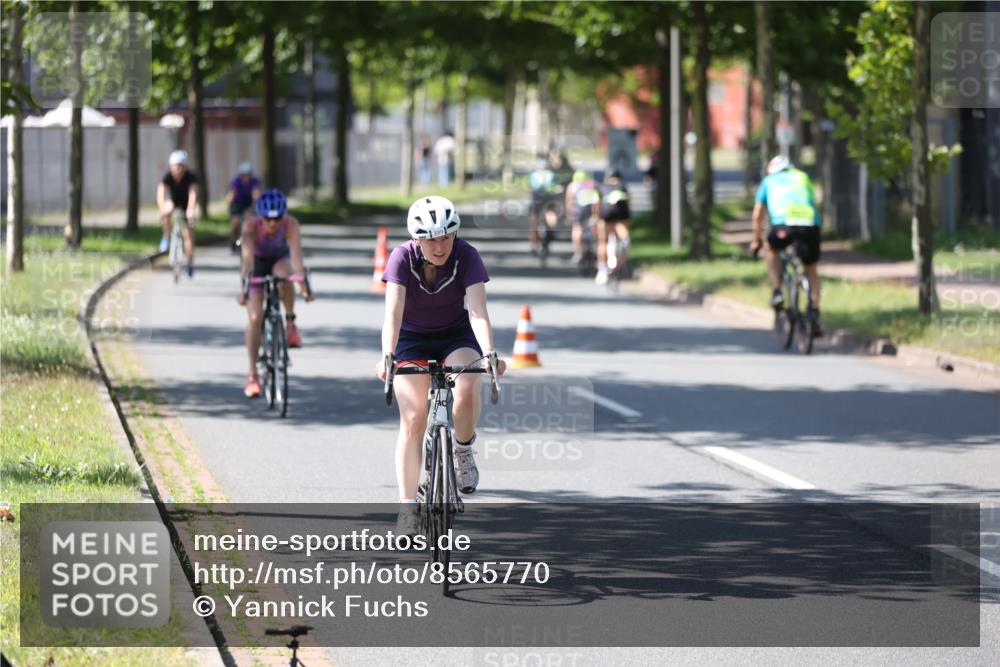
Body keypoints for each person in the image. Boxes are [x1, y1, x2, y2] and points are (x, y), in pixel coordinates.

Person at [375, 196, 507, 534]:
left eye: (446, 236)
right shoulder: (402, 257)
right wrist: (388, 356)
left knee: (465, 385)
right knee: (414, 417)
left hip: (455, 334)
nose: (440, 245)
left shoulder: (467, 255)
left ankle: (462, 449)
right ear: (417, 238)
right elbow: (392, 312)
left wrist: (489, 352)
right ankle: (407, 508)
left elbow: (477, 310)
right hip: (411, 338)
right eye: (431, 238)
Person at [236, 189, 313, 399]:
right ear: (260, 216)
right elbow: (247, 261)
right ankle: (252, 374)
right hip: (257, 264)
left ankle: (289, 322)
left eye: (277, 218)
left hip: (280, 259)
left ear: (284, 215)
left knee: (284, 276)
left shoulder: (291, 225)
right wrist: (244, 288)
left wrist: (303, 285)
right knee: (254, 318)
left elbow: (296, 259)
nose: (272, 223)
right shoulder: (250, 226)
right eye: (268, 219)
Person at [749, 155, 823, 332]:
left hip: (783, 225)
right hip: (810, 225)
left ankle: (777, 291)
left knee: (770, 249)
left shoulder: (768, 181)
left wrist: (757, 239)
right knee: (811, 269)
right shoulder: (803, 177)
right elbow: (813, 202)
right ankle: (814, 311)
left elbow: (757, 214)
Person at [157, 150, 199, 276]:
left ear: (185, 167)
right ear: (171, 167)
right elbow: (161, 193)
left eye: (180, 167)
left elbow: (193, 194)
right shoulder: (167, 177)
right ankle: (166, 235)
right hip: (174, 201)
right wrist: (161, 208)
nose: (178, 170)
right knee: (166, 211)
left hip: (187, 203)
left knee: (188, 234)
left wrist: (191, 210)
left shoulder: (191, 177)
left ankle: (190, 262)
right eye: (175, 167)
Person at [595, 170, 631, 285]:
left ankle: (602, 270)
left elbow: (597, 204)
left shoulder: (602, 186)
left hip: (606, 217)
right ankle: (621, 266)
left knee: (603, 243)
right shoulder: (623, 186)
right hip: (621, 217)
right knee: (625, 239)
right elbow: (629, 204)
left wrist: (596, 218)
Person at [564, 170, 600, 265]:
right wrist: (597, 214)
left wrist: (569, 215)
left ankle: (578, 253)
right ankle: (595, 247)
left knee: (577, 229)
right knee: (594, 227)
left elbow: (569, 201)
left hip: (578, 211)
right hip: (591, 209)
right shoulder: (591, 184)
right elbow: (597, 198)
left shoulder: (572, 186)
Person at [227, 162, 262, 253]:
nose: (246, 177)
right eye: (244, 175)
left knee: (251, 220)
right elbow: (232, 193)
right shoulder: (236, 181)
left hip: (248, 205)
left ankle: (253, 242)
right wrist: (229, 202)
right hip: (237, 205)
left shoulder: (254, 181)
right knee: (234, 223)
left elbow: (256, 194)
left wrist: (257, 202)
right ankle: (233, 242)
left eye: (248, 175)